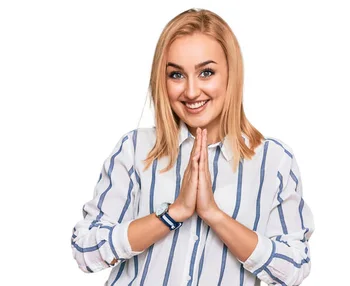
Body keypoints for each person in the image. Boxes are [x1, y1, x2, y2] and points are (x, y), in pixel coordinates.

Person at [71, 8, 314, 286]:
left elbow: (293, 268)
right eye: (176, 75)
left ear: (231, 75)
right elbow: (86, 251)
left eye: (206, 72)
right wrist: (173, 213)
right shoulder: (136, 149)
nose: (191, 91)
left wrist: (214, 215)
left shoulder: (273, 161)